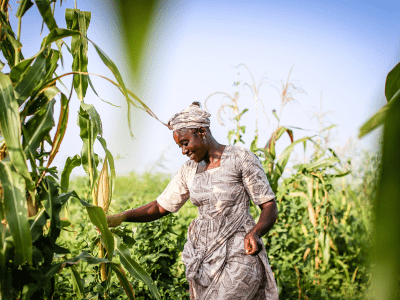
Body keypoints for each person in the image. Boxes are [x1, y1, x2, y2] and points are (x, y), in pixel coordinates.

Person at [106, 102, 279, 300]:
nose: (183, 151)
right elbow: (159, 206)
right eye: (179, 145)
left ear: (202, 131)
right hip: (204, 261)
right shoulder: (188, 171)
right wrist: (120, 218)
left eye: (185, 142)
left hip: (239, 253)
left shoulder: (240, 158)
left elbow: (268, 205)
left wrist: (256, 232)